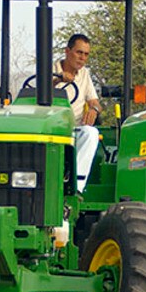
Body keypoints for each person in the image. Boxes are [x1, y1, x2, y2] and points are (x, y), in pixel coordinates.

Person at [56, 33, 102, 192]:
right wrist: (58, 79)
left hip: (74, 128)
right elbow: (36, 93)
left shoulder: (84, 74)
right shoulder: (49, 70)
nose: (82, 58)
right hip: (51, 129)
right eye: (79, 52)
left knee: (91, 133)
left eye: (86, 54)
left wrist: (93, 109)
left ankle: (75, 187)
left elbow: (94, 101)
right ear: (67, 51)